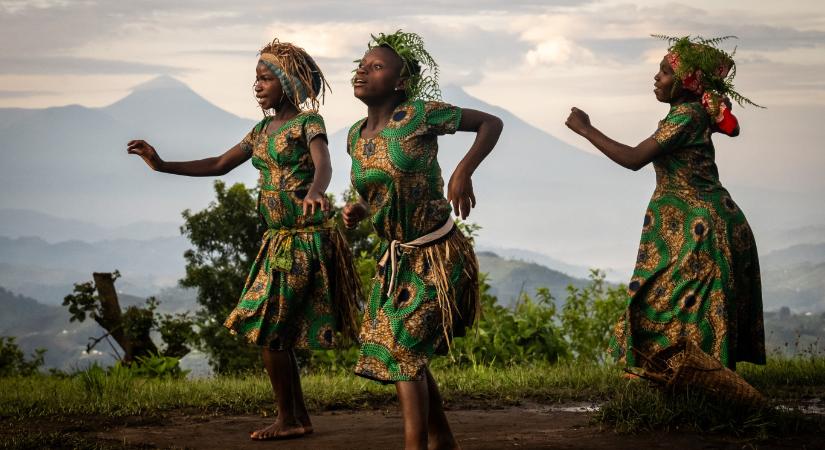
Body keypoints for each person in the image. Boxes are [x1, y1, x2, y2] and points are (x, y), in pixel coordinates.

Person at [127, 38, 360, 440]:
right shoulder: (259, 131)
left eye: (265, 78)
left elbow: (324, 163)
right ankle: (298, 418)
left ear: (287, 83)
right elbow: (219, 164)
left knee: (269, 328)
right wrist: (161, 165)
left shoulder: (309, 124)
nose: (257, 85)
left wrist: (316, 192)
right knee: (275, 331)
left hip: (304, 241)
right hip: (276, 242)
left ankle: (289, 419)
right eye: (256, 78)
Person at [342, 30, 503, 450]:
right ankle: (442, 439)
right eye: (362, 63)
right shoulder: (355, 137)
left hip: (436, 253)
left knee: (403, 348)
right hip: (397, 260)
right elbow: (375, 190)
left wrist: (462, 171)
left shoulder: (419, 114)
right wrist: (360, 208)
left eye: (375, 66)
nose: (362, 70)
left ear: (399, 82)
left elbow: (490, 123)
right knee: (402, 349)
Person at [565, 35, 765, 370]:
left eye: (665, 73)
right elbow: (730, 127)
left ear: (687, 83)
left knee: (668, 301)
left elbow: (633, 159)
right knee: (678, 304)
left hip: (702, 229)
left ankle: (697, 384)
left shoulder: (686, 116)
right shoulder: (694, 111)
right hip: (700, 223)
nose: (657, 78)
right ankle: (687, 381)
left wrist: (586, 129)